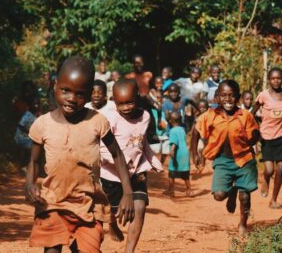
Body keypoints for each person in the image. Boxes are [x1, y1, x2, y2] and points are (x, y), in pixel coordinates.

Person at [25, 55, 135, 253]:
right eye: (65, 90)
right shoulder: (42, 124)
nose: (71, 99)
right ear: (55, 85)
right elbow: (33, 161)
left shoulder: (97, 122)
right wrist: (30, 184)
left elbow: (117, 155)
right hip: (52, 202)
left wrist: (128, 192)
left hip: (89, 205)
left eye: (80, 94)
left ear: (90, 93)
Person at [99, 79, 163, 253]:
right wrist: (120, 163)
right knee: (116, 211)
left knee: (139, 207)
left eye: (130, 102)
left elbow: (142, 142)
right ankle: (112, 223)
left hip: (137, 170)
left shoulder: (146, 117)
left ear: (138, 97)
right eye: (121, 104)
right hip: (112, 173)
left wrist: (152, 159)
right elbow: (102, 148)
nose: (126, 107)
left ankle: (129, 250)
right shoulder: (109, 118)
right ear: (114, 100)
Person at [191, 80, 260, 236]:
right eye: (223, 96)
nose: (228, 99)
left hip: (244, 160)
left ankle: (243, 224)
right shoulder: (210, 115)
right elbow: (196, 131)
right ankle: (231, 191)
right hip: (223, 160)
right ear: (217, 97)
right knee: (219, 195)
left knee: (245, 197)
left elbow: (254, 136)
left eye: (232, 96)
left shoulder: (245, 116)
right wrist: (194, 153)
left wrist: (255, 137)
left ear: (239, 98)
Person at [251, 67, 282, 209]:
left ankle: (274, 199)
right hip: (266, 137)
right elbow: (252, 113)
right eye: (273, 78)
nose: (276, 81)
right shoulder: (263, 95)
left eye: (278, 78)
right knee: (269, 169)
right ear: (269, 80)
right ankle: (265, 179)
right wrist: (256, 131)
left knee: (281, 168)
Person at [166, 112, 192, 197]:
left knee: (171, 172)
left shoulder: (172, 131)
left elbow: (174, 143)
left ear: (170, 121)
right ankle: (189, 190)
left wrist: (172, 152)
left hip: (177, 154)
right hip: (185, 153)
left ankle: (170, 191)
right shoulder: (182, 129)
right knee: (185, 173)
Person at [174, 66, 204, 131]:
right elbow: (171, 86)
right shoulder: (182, 81)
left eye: (197, 74)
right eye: (193, 73)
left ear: (200, 75)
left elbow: (201, 98)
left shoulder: (201, 85)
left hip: (194, 106)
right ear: (190, 73)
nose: (195, 75)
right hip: (181, 104)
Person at [14, 100, 40, 167]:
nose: (36, 106)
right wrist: (30, 132)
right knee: (28, 152)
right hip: (22, 137)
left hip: (28, 138)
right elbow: (20, 125)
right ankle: (23, 166)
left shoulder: (36, 116)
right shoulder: (27, 114)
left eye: (37, 105)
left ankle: (25, 166)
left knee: (30, 153)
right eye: (35, 105)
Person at [194, 99, 209, 171]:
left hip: (208, 137)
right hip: (201, 136)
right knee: (200, 149)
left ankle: (203, 163)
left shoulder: (209, 116)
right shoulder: (197, 116)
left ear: (207, 108)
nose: (202, 109)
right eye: (200, 107)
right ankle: (200, 162)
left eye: (204, 108)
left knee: (204, 150)